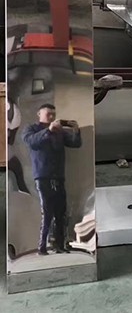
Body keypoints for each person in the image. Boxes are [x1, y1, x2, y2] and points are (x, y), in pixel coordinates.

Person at [22, 103, 82, 255]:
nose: (51, 117)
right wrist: (48, 130)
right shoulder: (32, 129)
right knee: (47, 212)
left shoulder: (60, 132)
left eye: (53, 114)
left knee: (61, 212)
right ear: (39, 114)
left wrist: (76, 130)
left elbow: (76, 144)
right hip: (42, 175)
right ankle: (42, 247)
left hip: (58, 176)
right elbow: (31, 142)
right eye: (48, 114)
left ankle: (59, 245)